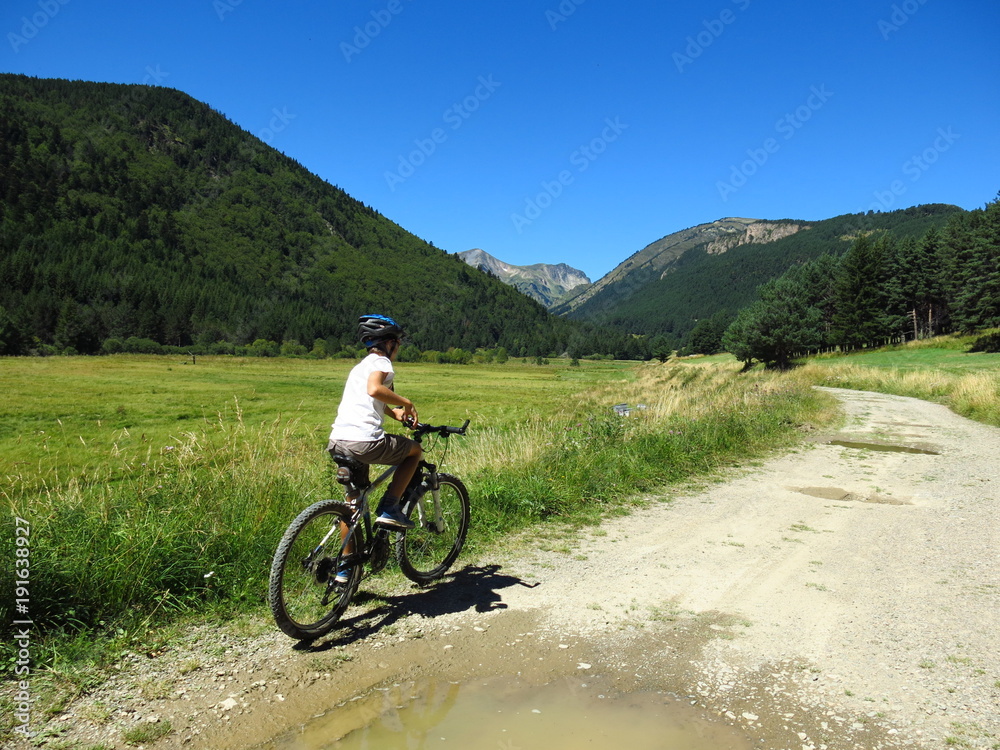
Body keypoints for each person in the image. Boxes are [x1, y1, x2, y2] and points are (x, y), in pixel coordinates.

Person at [327, 314, 422, 530]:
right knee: (415, 451)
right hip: (363, 442)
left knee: (353, 505)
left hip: (338, 441)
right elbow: (374, 389)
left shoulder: (361, 366)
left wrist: (393, 413)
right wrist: (407, 403)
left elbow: (372, 396)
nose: (397, 348)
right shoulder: (382, 361)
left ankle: (348, 563)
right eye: (397, 343)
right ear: (389, 343)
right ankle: (390, 507)